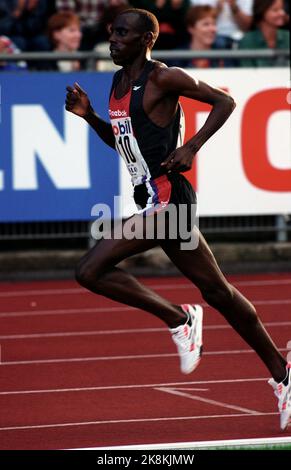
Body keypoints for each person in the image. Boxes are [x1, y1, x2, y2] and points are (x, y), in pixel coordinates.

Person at [65, 8, 291, 430]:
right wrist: (91, 117)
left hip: (170, 201)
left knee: (90, 269)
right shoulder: (117, 83)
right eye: (112, 32)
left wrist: (191, 148)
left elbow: (225, 101)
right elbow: (125, 146)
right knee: (218, 292)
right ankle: (283, 372)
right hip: (150, 199)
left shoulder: (162, 77)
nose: (112, 38)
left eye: (122, 33)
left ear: (146, 39)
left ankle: (180, 318)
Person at [238, 0, 289, 67]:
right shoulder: (247, 41)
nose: (282, 13)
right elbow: (246, 71)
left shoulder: (288, 37)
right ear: (262, 11)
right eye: (275, 10)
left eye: (282, 9)